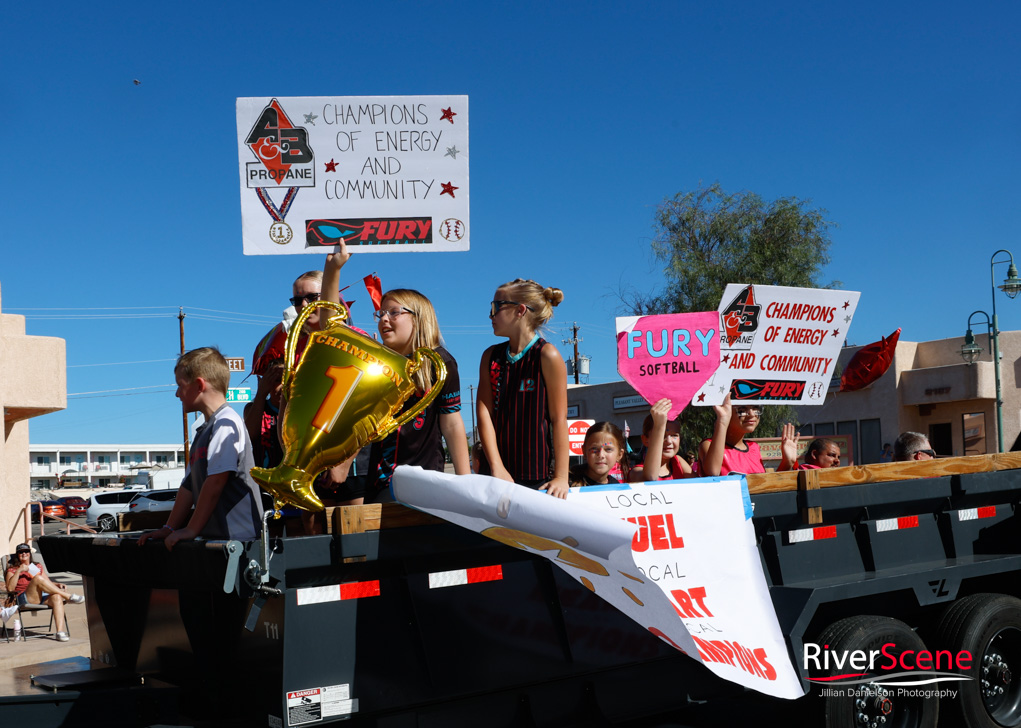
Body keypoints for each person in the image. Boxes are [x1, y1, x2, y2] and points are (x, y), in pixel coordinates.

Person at [322, 245, 470, 500]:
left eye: (394, 312)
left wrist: (466, 482)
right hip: (380, 484)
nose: (383, 319)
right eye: (380, 313)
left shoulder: (441, 362)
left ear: (419, 318)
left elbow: (453, 424)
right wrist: (332, 269)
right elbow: (329, 327)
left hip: (426, 484)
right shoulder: (377, 364)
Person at [139, 348, 264, 549]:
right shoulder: (203, 431)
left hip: (242, 542)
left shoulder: (226, 423)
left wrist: (191, 529)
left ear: (199, 385)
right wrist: (170, 528)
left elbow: (215, 482)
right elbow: (188, 486)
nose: (177, 393)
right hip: (219, 541)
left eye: (180, 386)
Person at [477, 278, 570, 498]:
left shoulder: (547, 355)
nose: (491, 315)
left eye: (496, 307)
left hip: (536, 478)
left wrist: (561, 477)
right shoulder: (491, 356)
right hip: (494, 473)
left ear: (520, 310)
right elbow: (484, 413)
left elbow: (559, 420)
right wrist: (497, 467)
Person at [699, 395, 799, 476]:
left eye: (756, 408)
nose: (752, 414)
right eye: (742, 409)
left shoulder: (754, 448)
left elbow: (764, 489)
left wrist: (787, 463)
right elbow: (713, 472)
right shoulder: (708, 445)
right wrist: (722, 420)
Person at [5, 543, 82, 641]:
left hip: (41, 596)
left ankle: (60, 632)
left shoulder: (37, 566)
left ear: (29, 553)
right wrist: (19, 571)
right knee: (37, 578)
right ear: (17, 555)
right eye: (21, 552)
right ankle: (68, 596)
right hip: (23, 598)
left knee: (56, 597)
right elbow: (10, 589)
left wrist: (56, 584)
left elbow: (46, 582)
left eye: (26, 551)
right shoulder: (12, 569)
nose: (24, 553)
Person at [629, 399, 692, 481]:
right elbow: (650, 477)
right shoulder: (636, 471)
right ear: (645, 440)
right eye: (662, 436)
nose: (669, 441)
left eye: (674, 435)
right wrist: (659, 425)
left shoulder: (678, 462)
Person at [569, 422, 630, 486]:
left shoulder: (616, 487)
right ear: (584, 451)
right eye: (594, 448)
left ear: (619, 455)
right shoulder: (567, 484)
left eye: (608, 449)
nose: (601, 455)